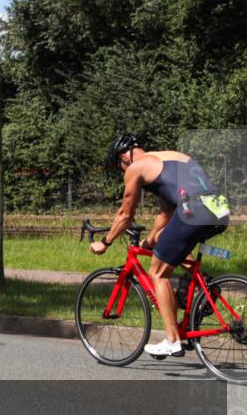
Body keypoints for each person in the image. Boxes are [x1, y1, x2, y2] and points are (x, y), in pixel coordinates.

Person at [91, 134, 230, 357]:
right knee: (167, 248)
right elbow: (166, 212)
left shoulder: (135, 168)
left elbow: (125, 215)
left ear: (125, 155)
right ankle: (205, 286)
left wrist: (105, 242)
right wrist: (153, 238)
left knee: (157, 272)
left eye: (119, 163)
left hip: (193, 209)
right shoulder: (169, 157)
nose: (121, 168)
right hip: (219, 208)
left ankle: (172, 340)